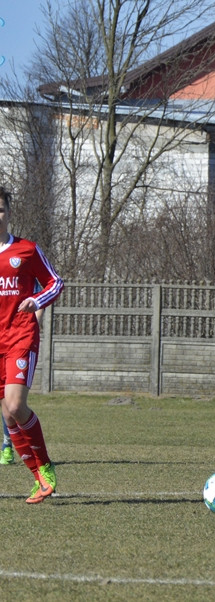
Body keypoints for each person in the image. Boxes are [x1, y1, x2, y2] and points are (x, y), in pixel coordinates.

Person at [0, 186, 64, 503]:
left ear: (9, 213)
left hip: (21, 336)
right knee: (8, 415)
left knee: (14, 406)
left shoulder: (25, 250)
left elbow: (56, 282)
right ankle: (39, 479)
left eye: (0, 208)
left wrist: (36, 300)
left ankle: (46, 467)